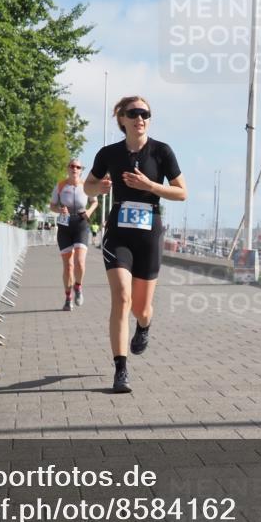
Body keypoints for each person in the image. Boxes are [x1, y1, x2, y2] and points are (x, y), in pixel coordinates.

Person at [84, 96, 187, 393]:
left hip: (149, 235)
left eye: (145, 113)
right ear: (122, 119)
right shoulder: (109, 153)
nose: (140, 118)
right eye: (134, 113)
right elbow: (87, 185)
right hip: (118, 234)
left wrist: (150, 186)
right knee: (122, 298)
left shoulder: (162, 151)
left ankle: (144, 326)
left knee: (141, 309)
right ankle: (120, 370)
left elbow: (182, 193)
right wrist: (98, 188)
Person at [49, 159, 98, 311]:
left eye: (78, 167)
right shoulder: (60, 185)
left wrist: (88, 212)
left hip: (81, 224)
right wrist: (59, 210)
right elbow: (52, 205)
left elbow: (94, 202)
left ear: (81, 170)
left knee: (80, 262)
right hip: (65, 225)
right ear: (67, 168)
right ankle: (68, 297)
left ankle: (78, 286)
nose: (74, 169)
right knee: (68, 266)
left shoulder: (86, 186)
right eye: (72, 166)